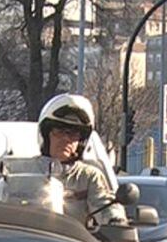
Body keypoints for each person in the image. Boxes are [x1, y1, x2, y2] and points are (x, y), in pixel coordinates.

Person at [18, 93, 125, 227]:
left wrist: (116, 220)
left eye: (73, 134)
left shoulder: (90, 176)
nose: (66, 139)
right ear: (46, 135)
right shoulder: (23, 172)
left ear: (81, 142)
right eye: (60, 131)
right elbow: (4, 206)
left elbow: (104, 202)